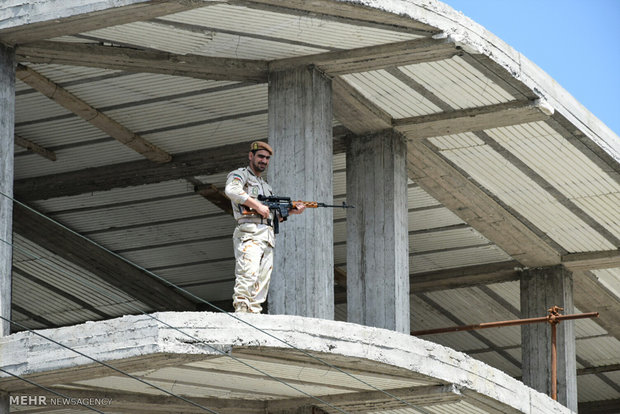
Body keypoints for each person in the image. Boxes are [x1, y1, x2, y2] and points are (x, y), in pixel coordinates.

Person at [224, 141, 305, 313]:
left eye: (267, 158)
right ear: (251, 156)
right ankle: (241, 310)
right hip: (249, 232)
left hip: (267, 236)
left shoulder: (266, 187)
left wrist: (290, 211)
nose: (264, 161)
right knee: (248, 272)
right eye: (261, 156)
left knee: (262, 279)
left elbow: (272, 215)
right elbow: (231, 190)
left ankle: (253, 313)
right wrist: (257, 205)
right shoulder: (241, 175)